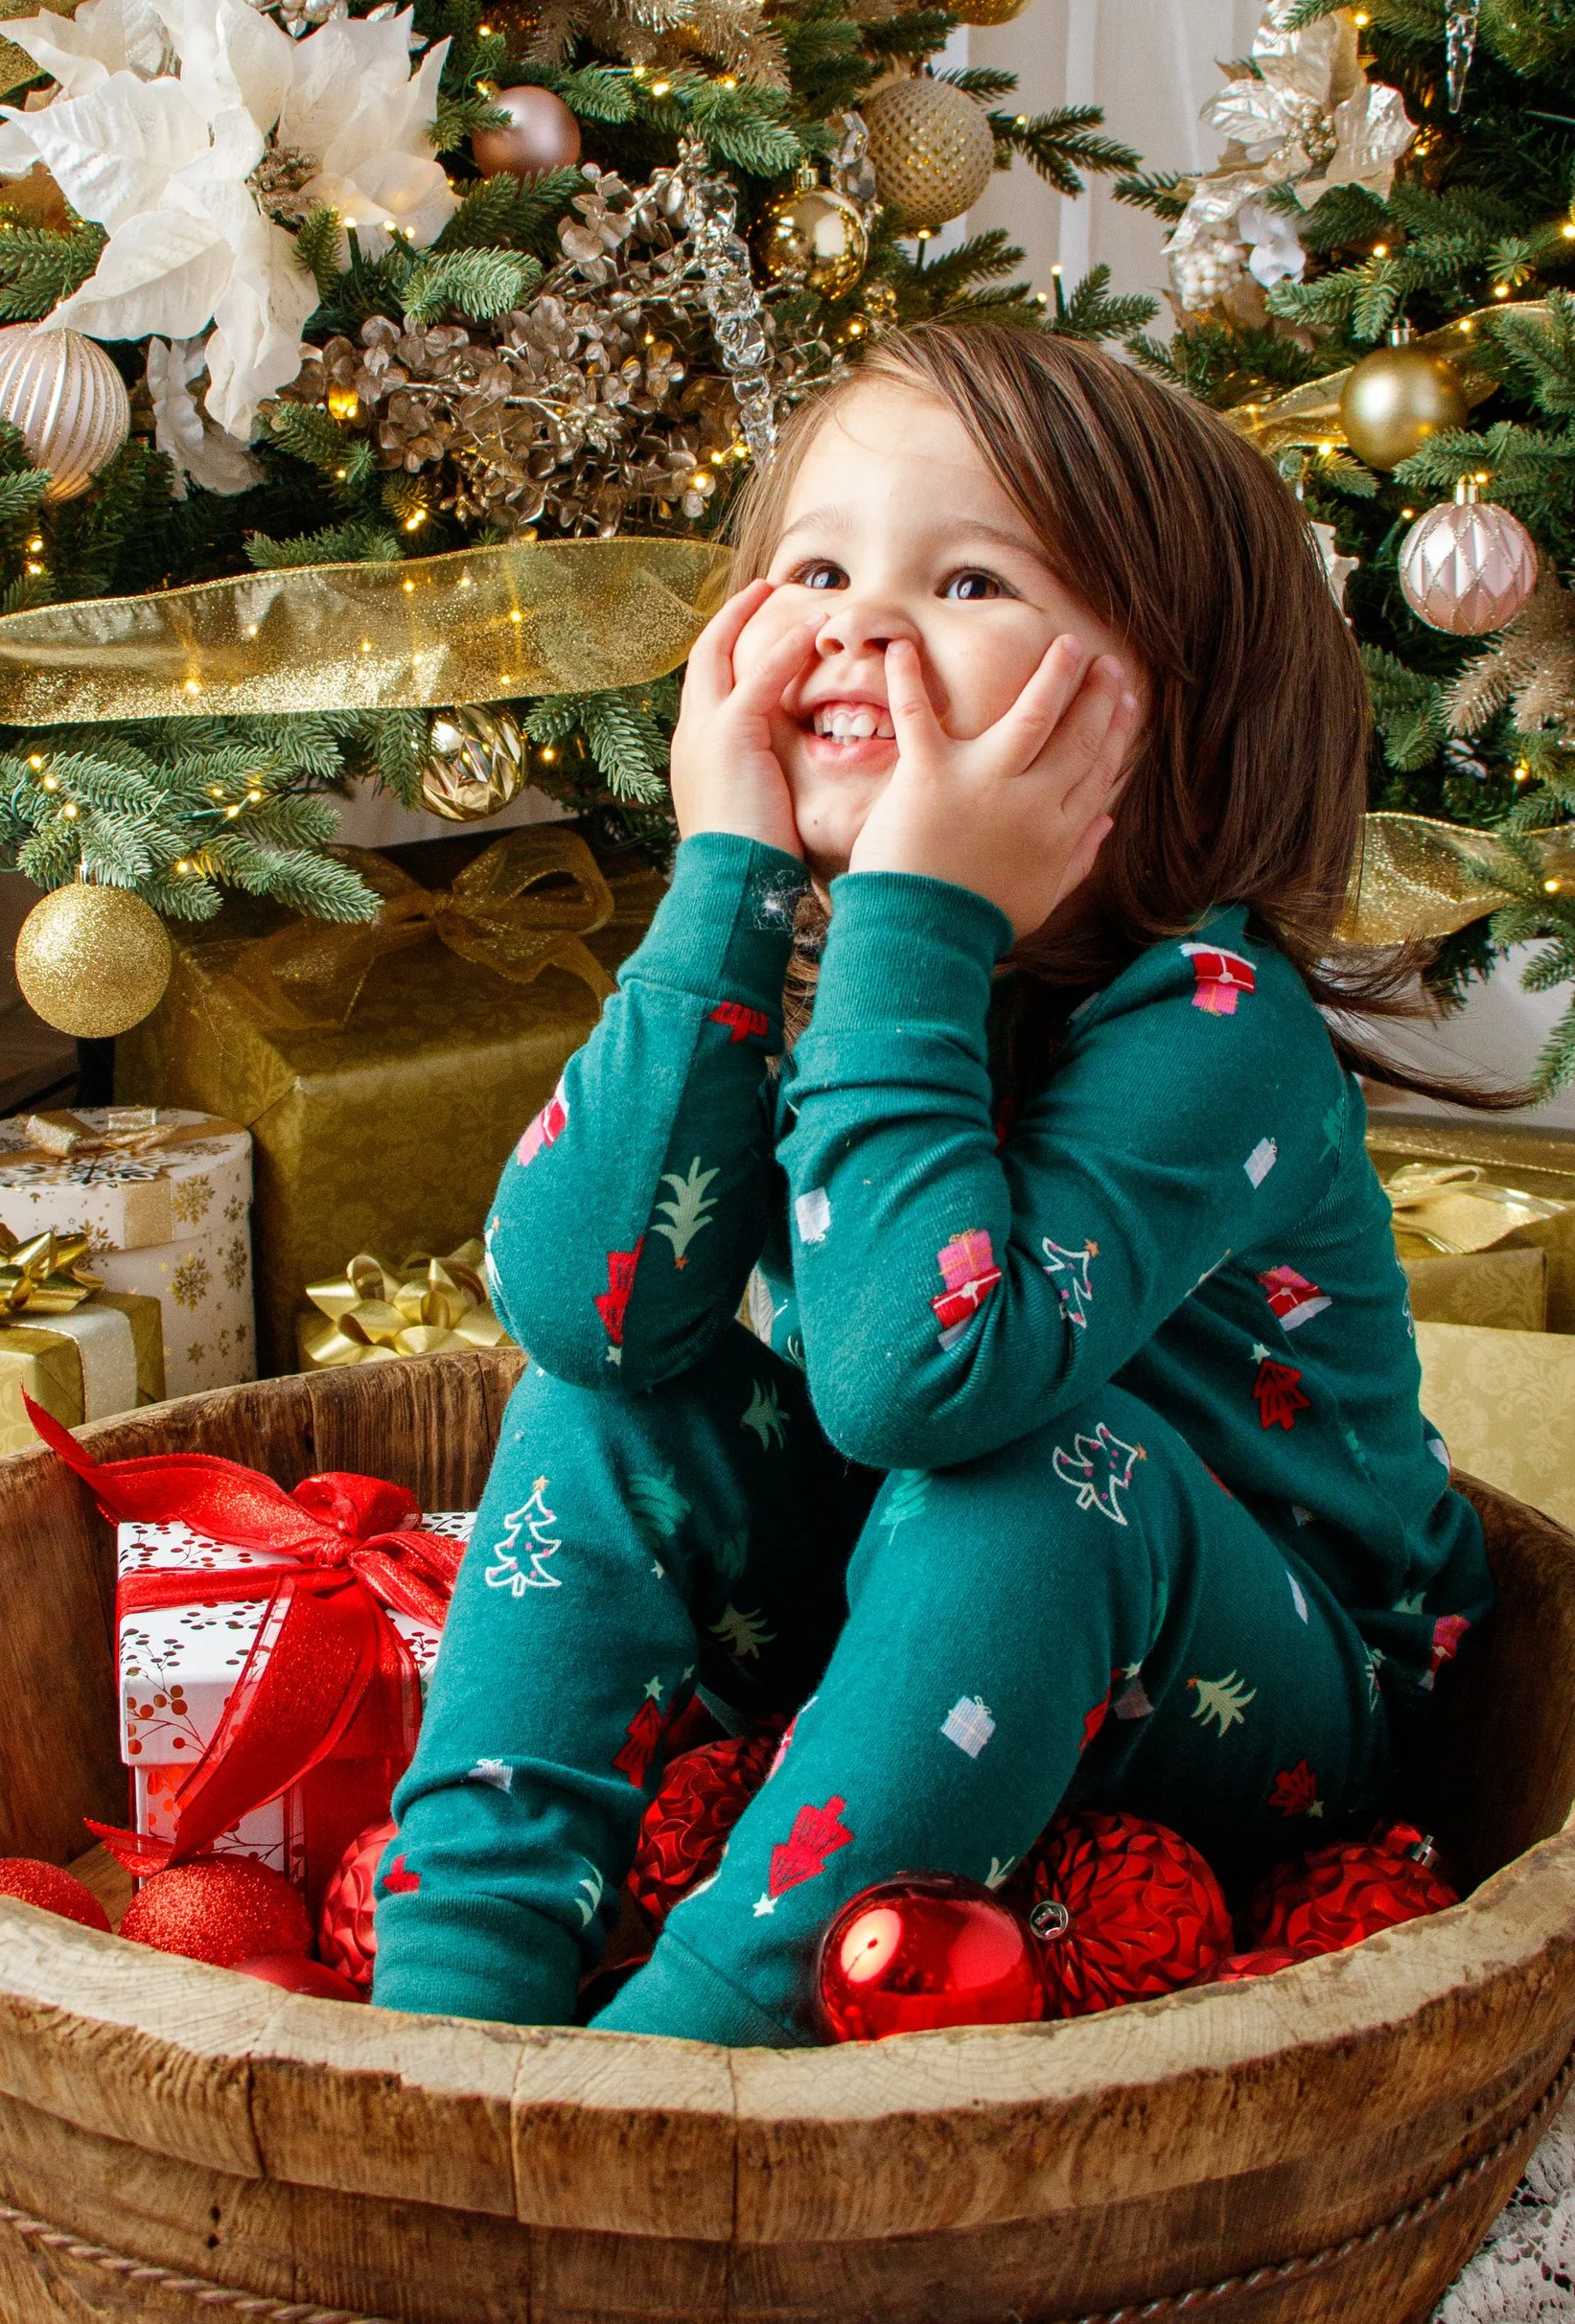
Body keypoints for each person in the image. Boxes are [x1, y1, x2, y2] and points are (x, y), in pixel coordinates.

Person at [367, 321, 1492, 2047]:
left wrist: (913, 920)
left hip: (1260, 1697)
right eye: (816, 567)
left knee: (1029, 1467)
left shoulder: (1213, 1022)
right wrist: (725, 871)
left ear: (1169, 709)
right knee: (606, 1412)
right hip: (904, 1630)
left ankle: (690, 2056)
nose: (858, 625)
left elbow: (921, 1380)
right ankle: (445, 2017)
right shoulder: (821, 964)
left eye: (967, 582)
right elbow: (584, 1307)